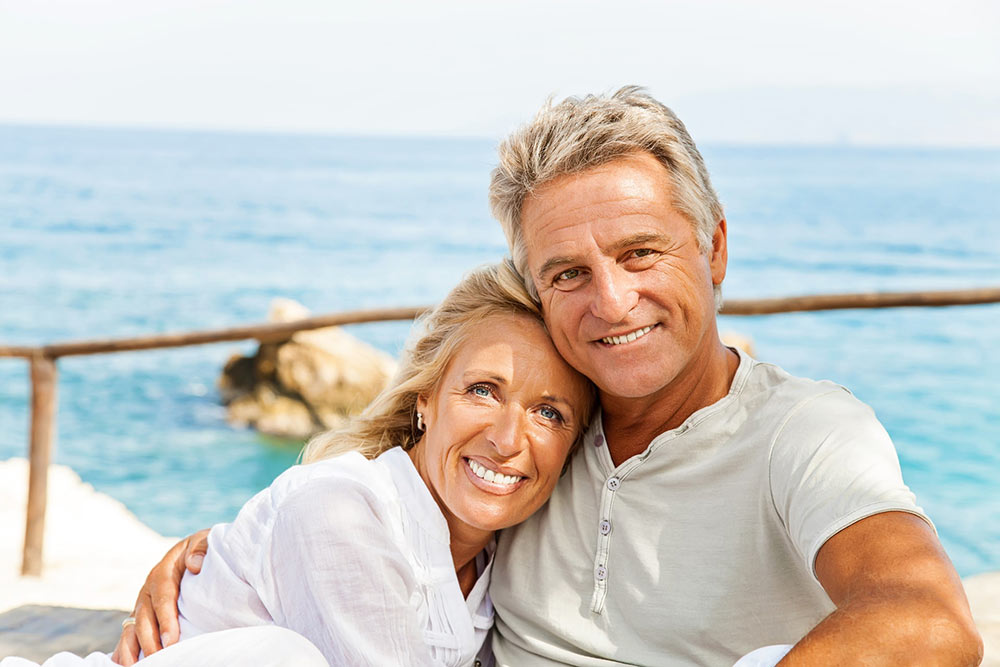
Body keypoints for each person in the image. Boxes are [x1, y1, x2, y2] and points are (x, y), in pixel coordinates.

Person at [117, 88, 984, 666]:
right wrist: (223, 561)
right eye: (568, 273)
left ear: (714, 248)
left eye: (642, 253)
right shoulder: (540, 446)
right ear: (537, 289)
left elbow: (933, 622)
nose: (611, 300)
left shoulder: (805, 433)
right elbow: (388, 517)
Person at [4, 261, 596, 667]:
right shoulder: (341, 509)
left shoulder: (506, 567)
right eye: (483, 390)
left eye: (550, 413)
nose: (507, 438)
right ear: (425, 399)